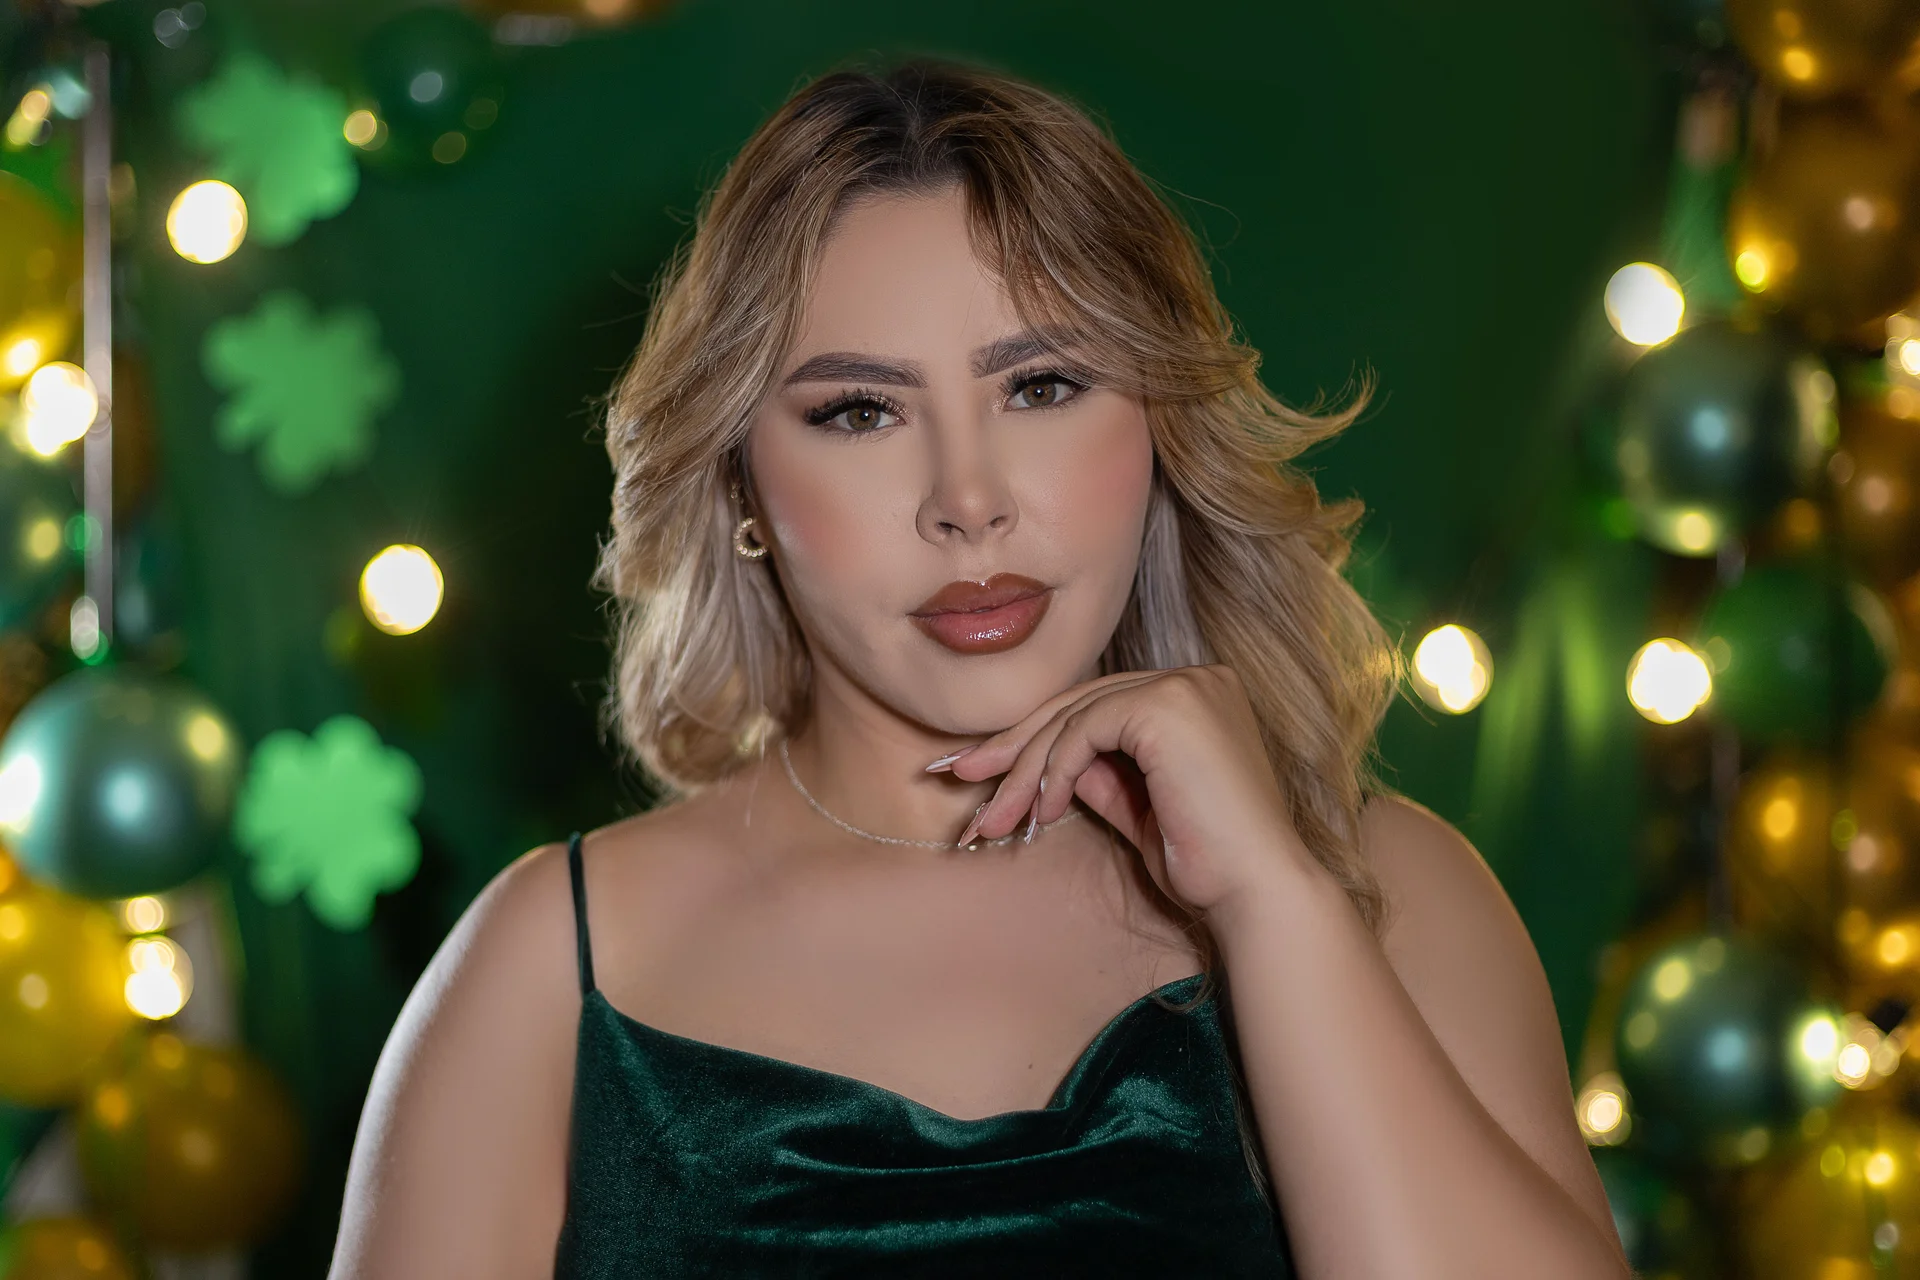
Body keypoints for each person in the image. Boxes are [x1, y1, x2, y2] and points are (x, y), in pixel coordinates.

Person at [328, 60, 1631, 1278]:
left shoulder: (1390, 895)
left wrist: (1275, 906)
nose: (968, 500)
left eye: (1042, 386)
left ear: (1162, 426)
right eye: (860, 412)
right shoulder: (550, 970)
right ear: (740, 487)